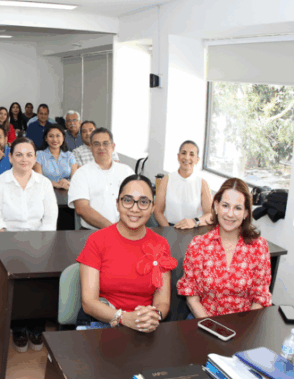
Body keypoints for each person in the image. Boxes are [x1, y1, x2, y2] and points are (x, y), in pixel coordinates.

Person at [0, 138, 58, 351]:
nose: (24, 159)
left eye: (29, 155)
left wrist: (36, 244)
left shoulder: (43, 183)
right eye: (19, 154)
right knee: (15, 277)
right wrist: (13, 243)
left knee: (40, 280)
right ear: (10, 157)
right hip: (7, 244)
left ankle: (36, 325)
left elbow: (50, 220)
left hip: (39, 242)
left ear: (35, 158)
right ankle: (17, 326)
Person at [77, 175, 174, 330]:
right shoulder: (97, 240)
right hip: (103, 320)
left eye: (143, 202)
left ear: (152, 207)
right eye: (128, 200)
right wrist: (123, 317)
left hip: (144, 322)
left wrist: (155, 315)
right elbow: (89, 303)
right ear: (117, 204)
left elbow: (163, 301)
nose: (135, 209)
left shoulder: (160, 244)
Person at [178, 178, 272, 318]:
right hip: (204, 319)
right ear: (216, 206)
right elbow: (191, 295)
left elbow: (260, 297)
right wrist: (213, 327)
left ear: (246, 213)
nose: (230, 214)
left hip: (244, 323)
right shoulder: (199, 245)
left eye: (238, 208)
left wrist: (244, 329)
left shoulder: (259, 247)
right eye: (225, 205)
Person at [68, 128, 134, 230]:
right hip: (93, 233)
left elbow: (136, 201)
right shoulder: (81, 174)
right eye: (96, 144)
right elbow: (82, 208)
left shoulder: (127, 171)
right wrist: (113, 229)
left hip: (127, 230)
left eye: (105, 143)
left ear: (113, 147)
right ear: (91, 148)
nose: (101, 147)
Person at [153, 140, 212, 228]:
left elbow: (210, 214)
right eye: (183, 153)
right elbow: (157, 211)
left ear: (197, 160)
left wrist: (194, 222)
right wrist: (168, 230)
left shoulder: (202, 183)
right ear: (178, 156)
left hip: (194, 229)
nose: (187, 158)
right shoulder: (167, 179)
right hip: (168, 228)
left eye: (192, 154)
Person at [35, 124, 78, 190]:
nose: (54, 139)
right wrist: (56, 184)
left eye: (58, 136)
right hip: (45, 191)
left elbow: (75, 179)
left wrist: (67, 182)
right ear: (46, 138)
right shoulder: (39, 155)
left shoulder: (70, 155)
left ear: (63, 138)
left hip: (67, 191)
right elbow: (38, 179)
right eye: (51, 136)